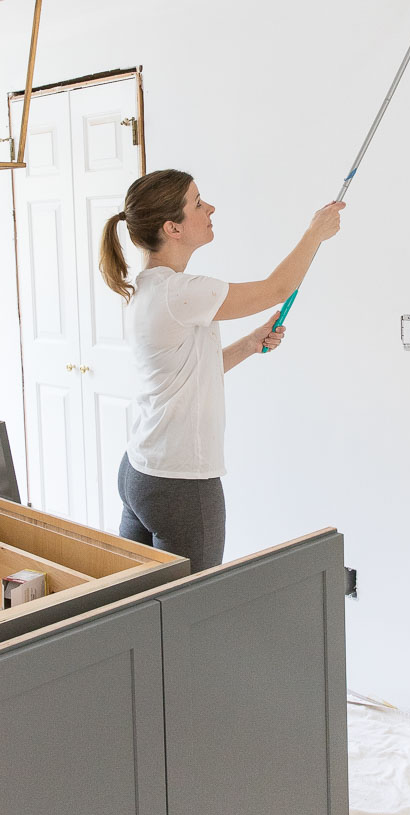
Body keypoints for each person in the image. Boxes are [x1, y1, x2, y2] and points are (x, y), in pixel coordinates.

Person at [99, 169, 344, 572]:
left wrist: (249, 345)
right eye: (197, 203)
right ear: (172, 228)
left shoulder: (150, 288)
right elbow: (277, 289)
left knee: (139, 613)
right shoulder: (182, 291)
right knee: (193, 613)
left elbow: (186, 375)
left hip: (140, 474)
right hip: (181, 485)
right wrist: (315, 232)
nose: (210, 207)